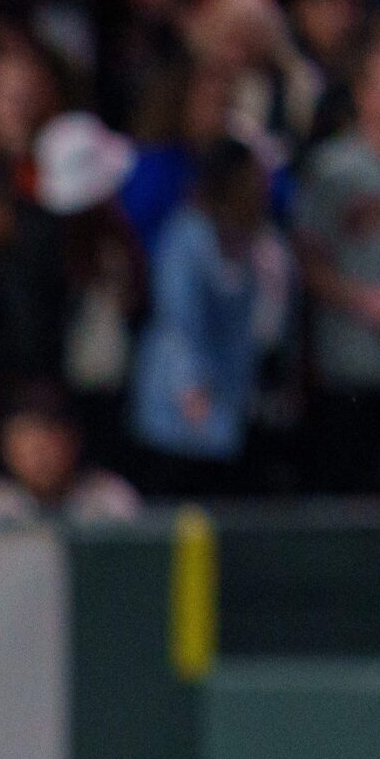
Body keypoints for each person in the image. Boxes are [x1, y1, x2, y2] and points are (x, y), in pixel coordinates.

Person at [131, 137, 278, 495]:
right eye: (252, 178)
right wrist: (191, 386)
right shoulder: (188, 236)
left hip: (228, 398)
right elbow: (179, 317)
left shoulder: (252, 239)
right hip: (182, 405)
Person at [297, 30, 380, 494]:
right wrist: (366, 300)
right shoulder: (332, 168)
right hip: (349, 369)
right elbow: (307, 258)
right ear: (363, 90)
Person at [0, 386, 142, 526]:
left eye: (48, 435)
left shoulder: (109, 498)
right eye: (26, 435)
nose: (39, 455)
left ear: (74, 439)